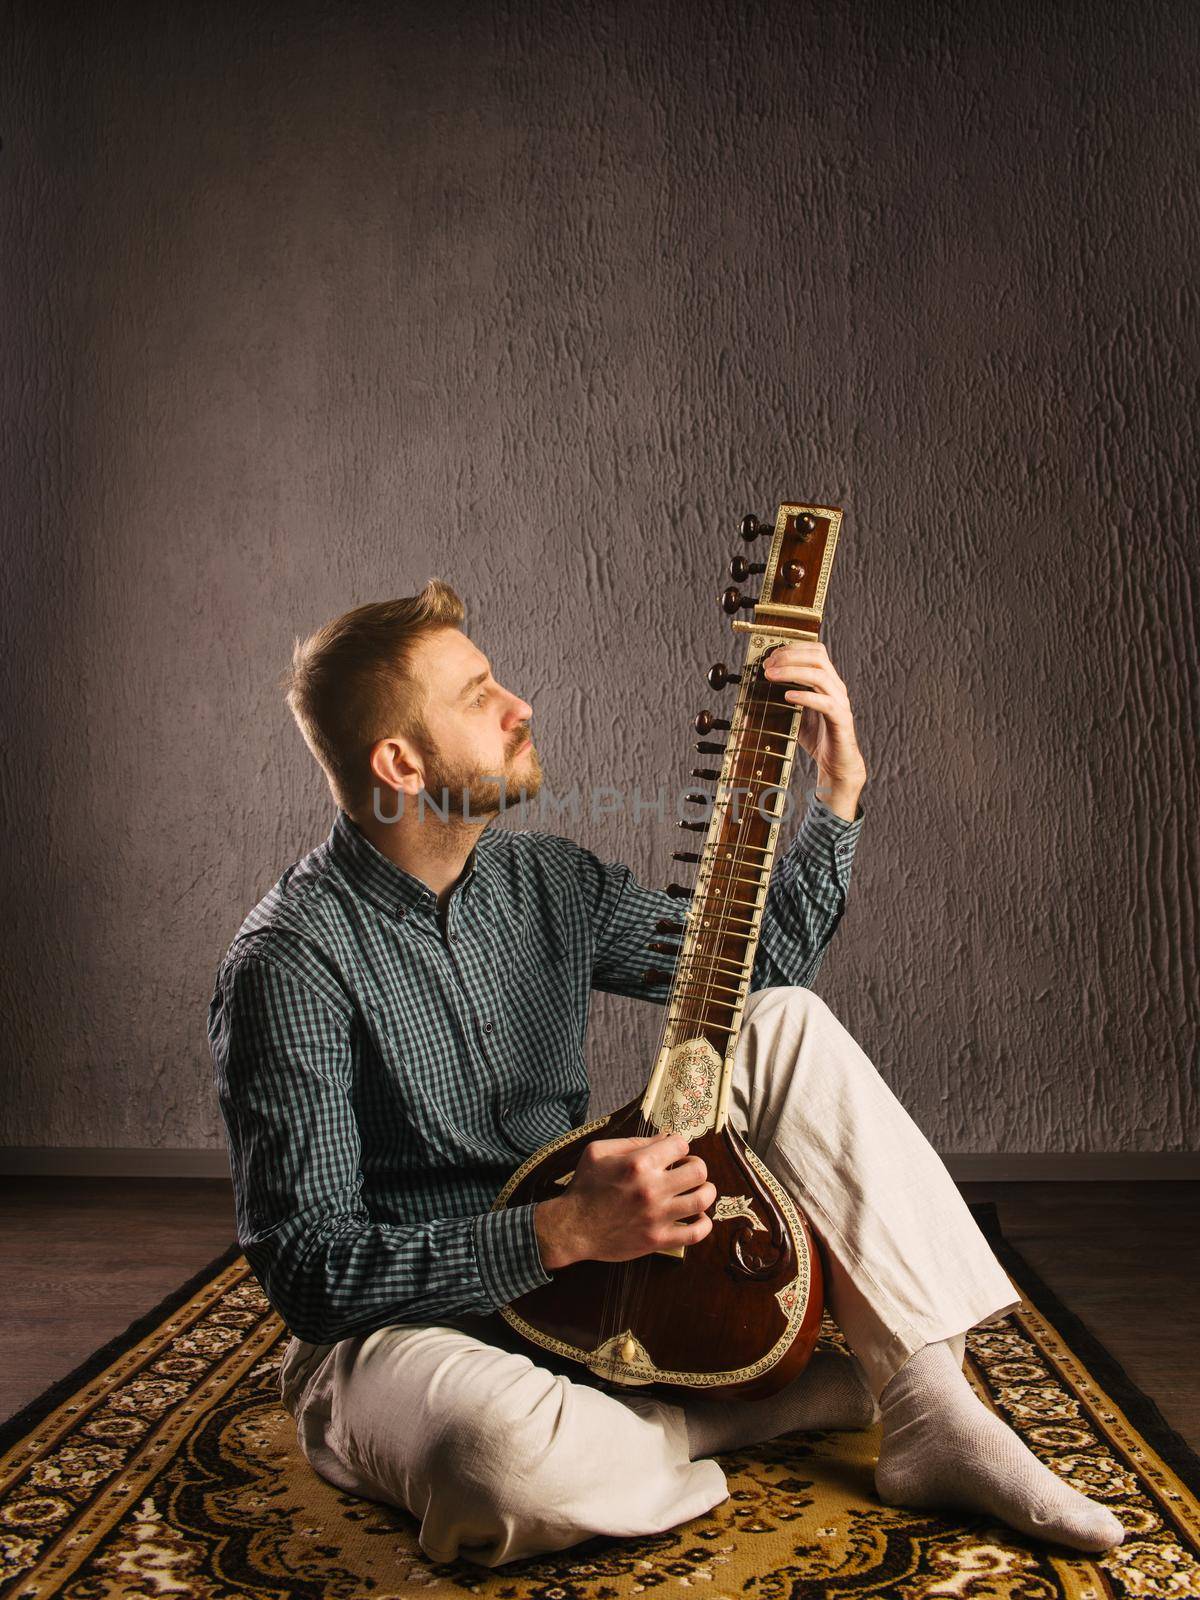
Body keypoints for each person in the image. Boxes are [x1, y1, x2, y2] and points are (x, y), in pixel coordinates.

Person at [208, 580, 1125, 1568]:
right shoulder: (290, 960)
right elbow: (309, 1268)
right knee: (498, 1458)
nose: (520, 704)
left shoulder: (547, 881)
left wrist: (839, 793)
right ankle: (720, 1420)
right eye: (478, 696)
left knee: (783, 1021)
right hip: (408, 1328)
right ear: (401, 761)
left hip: (594, 1279)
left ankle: (929, 1410)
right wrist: (553, 1229)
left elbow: (754, 970)